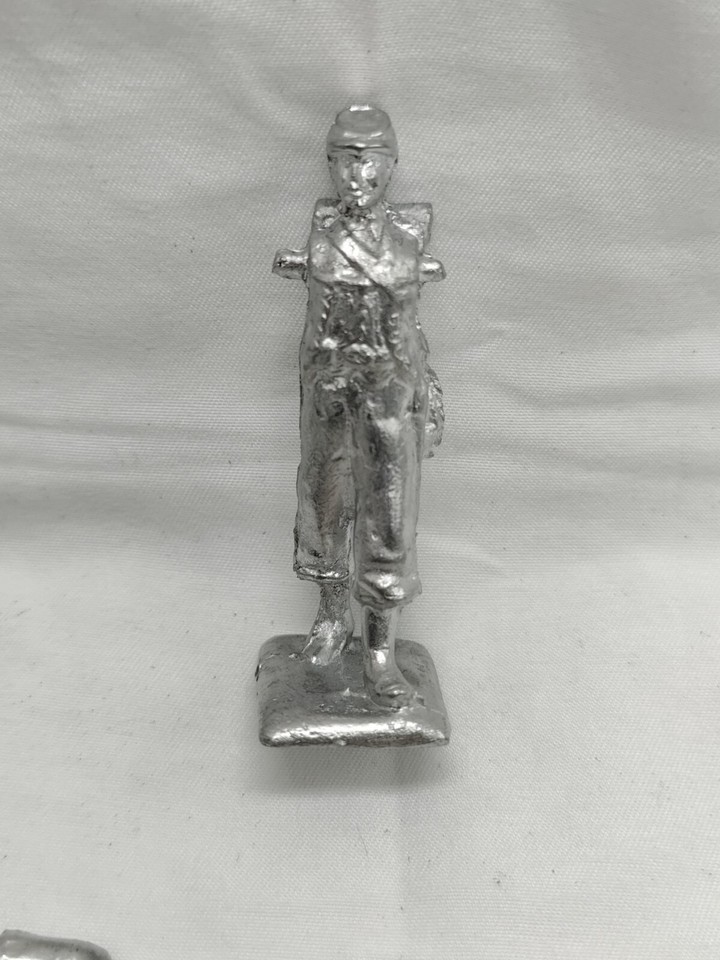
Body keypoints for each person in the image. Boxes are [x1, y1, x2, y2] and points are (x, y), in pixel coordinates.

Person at [273, 104, 445, 707]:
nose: (357, 176)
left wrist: (429, 396)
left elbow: (413, 331)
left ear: (391, 166)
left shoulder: (410, 235)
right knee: (324, 502)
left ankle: (379, 653)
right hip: (328, 393)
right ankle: (330, 619)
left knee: (389, 518)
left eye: (370, 163)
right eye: (344, 162)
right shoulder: (322, 229)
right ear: (329, 166)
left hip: (389, 397)